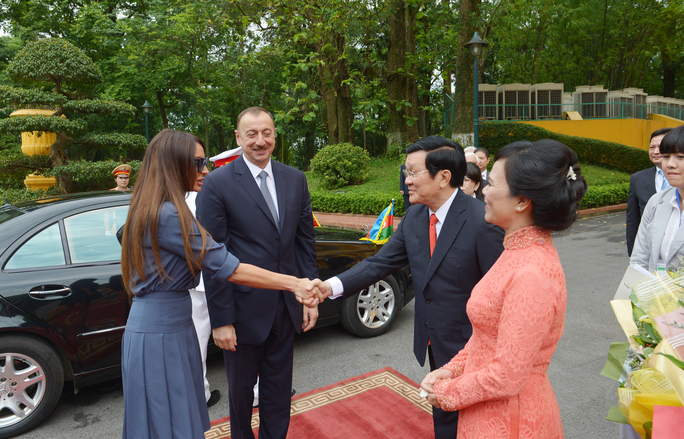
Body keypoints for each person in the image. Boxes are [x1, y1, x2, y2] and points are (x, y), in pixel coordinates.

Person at [120, 129, 320, 439]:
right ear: (174, 164)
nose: (205, 170)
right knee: (169, 424)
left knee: (167, 421)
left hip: (163, 324)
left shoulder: (147, 207)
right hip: (162, 333)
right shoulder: (170, 215)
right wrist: (293, 284)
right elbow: (230, 267)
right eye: (198, 163)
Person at [312, 135, 505, 439]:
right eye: (406, 172)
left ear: (443, 177)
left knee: (475, 421)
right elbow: (379, 263)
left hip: (473, 348)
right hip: (433, 340)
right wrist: (329, 287)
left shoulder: (483, 222)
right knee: (442, 411)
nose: (407, 181)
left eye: (413, 173)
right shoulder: (416, 216)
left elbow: (500, 297)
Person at [420, 139, 588, 439]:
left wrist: (447, 393)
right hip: (487, 408)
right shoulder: (515, 249)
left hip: (511, 418)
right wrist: (452, 369)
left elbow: (506, 376)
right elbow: (488, 334)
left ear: (522, 201)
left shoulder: (532, 272)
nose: (483, 190)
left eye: (492, 183)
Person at [196, 107, 319, 439]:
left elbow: (304, 243)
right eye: (252, 134)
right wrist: (221, 320)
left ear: (275, 135)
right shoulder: (218, 184)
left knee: (279, 392)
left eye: (266, 133)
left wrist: (311, 297)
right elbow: (213, 257)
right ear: (238, 138)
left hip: (286, 307)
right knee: (239, 396)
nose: (260, 141)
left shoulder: (295, 178)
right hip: (241, 312)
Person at [185, 191, 221, 408]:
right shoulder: (211, 192)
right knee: (245, 335)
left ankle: (201, 394)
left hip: (195, 279)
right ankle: (256, 392)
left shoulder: (170, 196)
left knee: (197, 342)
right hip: (220, 274)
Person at [631, 126, 684, 272]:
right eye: (666, 157)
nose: (670, 164)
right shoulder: (656, 201)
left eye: (680, 157)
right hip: (655, 292)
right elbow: (640, 258)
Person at [626, 127, 674, 256]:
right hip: (649, 250)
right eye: (652, 147)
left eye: (661, 147)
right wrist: (633, 254)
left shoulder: (679, 177)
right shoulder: (638, 178)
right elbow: (633, 220)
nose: (655, 151)